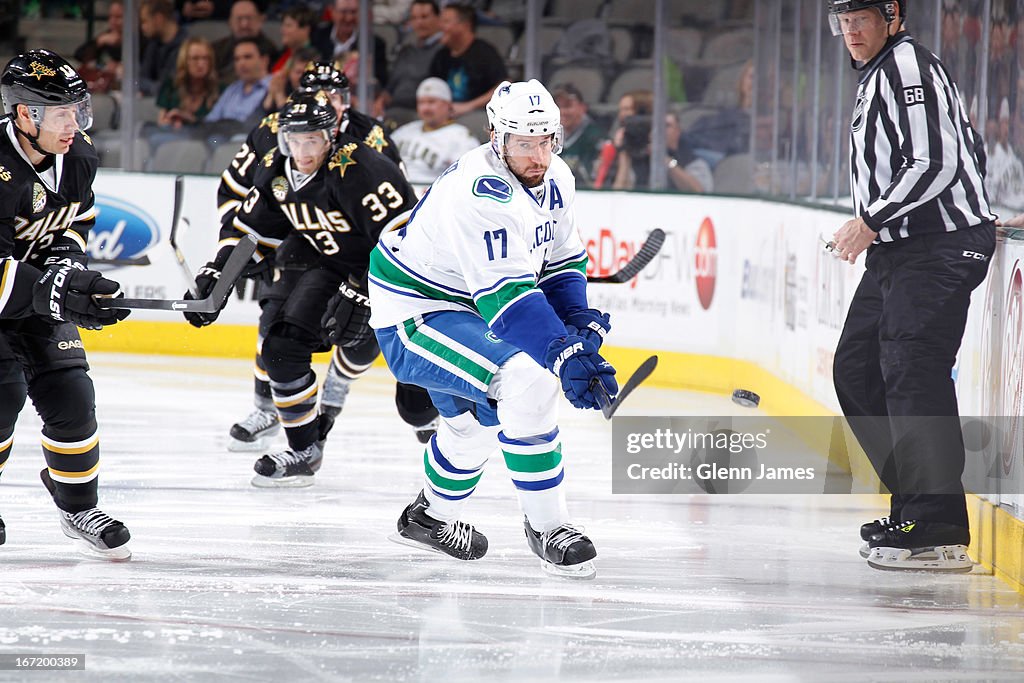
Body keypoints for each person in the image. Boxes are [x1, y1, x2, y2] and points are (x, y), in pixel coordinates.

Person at [367, 80, 618, 578]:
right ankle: (549, 527)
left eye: (546, 140)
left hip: (467, 308)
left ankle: (429, 517)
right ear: (496, 137)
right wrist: (565, 356)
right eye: (524, 143)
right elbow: (507, 300)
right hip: (416, 312)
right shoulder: (481, 192)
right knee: (527, 379)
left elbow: (562, 262)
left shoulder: (557, 177)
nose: (538, 155)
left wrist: (578, 325)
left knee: (475, 424)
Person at [825, 0, 996, 572]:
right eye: (843, 22)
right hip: (902, 249)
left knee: (912, 370)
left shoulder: (907, 66)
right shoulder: (880, 72)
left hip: (937, 248)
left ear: (892, 16)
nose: (851, 31)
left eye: (861, 19)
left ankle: (937, 526)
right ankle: (917, 507)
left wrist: (870, 220)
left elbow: (936, 161)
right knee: (857, 367)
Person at [188, 91, 419, 488]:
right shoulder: (277, 171)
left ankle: (445, 426)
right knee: (280, 349)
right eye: (294, 140)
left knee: (410, 396)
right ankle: (305, 451)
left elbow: (408, 241)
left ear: (330, 137)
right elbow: (249, 233)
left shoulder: (360, 167)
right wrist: (217, 276)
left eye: (311, 139)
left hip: (391, 278)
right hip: (329, 266)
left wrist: (365, 290)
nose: (302, 150)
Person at [0, 49, 131, 559]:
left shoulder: (77, 156)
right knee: (1, 403)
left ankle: (78, 506)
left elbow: (74, 224)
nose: (74, 123)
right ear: (25, 113)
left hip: (27, 292)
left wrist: (68, 272)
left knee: (72, 395)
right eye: (61, 113)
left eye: (78, 109)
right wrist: (50, 290)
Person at [390, 77, 479, 184]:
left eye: (431, 102)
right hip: (398, 191)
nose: (425, 108)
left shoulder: (462, 137)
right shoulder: (405, 131)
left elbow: (467, 178)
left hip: (434, 194)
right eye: (421, 103)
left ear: (447, 105)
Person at [428, 3, 507, 117]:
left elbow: (503, 86)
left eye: (446, 22)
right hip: (444, 117)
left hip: (479, 116)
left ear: (465, 25)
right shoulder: (441, 55)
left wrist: (469, 106)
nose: (440, 26)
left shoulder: (484, 52)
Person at [611, 112, 712, 193]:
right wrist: (624, 153)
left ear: (678, 130)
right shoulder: (639, 160)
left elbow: (699, 191)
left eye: (666, 125)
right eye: (656, 125)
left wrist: (666, 160)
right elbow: (618, 195)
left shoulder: (692, 161)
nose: (660, 130)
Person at [376, 0, 444, 114]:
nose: (419, 23)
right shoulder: (406, 50)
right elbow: (390, 87)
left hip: (422, 111)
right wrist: (380, 101)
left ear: (438, 18)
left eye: (424, 17)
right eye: (414, 18)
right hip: (393, 109)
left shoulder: (444, 52)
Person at [152, 37, 222, 139]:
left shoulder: (220, 89)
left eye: (205, 58)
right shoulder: (171, 85)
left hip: (205, 137)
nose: (201, 64)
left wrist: (189, 119)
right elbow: (162, 120)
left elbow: (218, 126)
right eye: (195, 58)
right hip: (174, 136)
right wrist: (170, 121)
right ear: (184, 61)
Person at [312, 0, 389, 89]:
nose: (348, 18)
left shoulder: (373, 44)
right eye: (343, 12)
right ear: (332, 11)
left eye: (353, 12)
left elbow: (380, 82)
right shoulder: (318, 36)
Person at [204, 38, 273, 128]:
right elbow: (210, 120)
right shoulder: (232, 89)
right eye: (237, 59)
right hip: (223, 138)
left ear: (264, 60)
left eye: (247, 57)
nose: (242, 63)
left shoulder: (274, 87)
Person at [212, 0, 279, 85]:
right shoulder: (217, 49)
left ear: (261, 20)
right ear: (230, 22)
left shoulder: (270, 51)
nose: (244, 24)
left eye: (249, 18)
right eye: (239, 19)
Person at [552, 83, 603, 187]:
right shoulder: (547, 137)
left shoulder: (597, 138)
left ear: (582, 108)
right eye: (557, 106)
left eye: (567, 106)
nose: (562, 112)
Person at [73, 0, 123, 93]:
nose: (113, 21)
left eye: (118, 17)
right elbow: (79, 55)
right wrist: (99, 42)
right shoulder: (105, 37)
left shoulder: (140, 39)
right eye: (110, 17)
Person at [139, 0, 187, 97]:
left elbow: (166, 88)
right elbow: (142, 77)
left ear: (158, 19)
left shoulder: (186, 47)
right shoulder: (153, 43)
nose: (142, 27)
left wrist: (142, 84)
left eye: (144, 21)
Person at [262, 45, 320, 113]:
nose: (302, 77)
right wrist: (272, 93)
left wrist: (279, 95)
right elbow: (265, 112)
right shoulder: (284, 85)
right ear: (290, 73)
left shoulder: (321, 95)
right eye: (298, 72)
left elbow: (293, 117)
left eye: (307, 72)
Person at [270, 4, 317, 74]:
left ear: (305, 29)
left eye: (288, 26)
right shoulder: (282, 54)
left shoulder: (314, 58)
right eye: (283, 25)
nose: (282, 30)